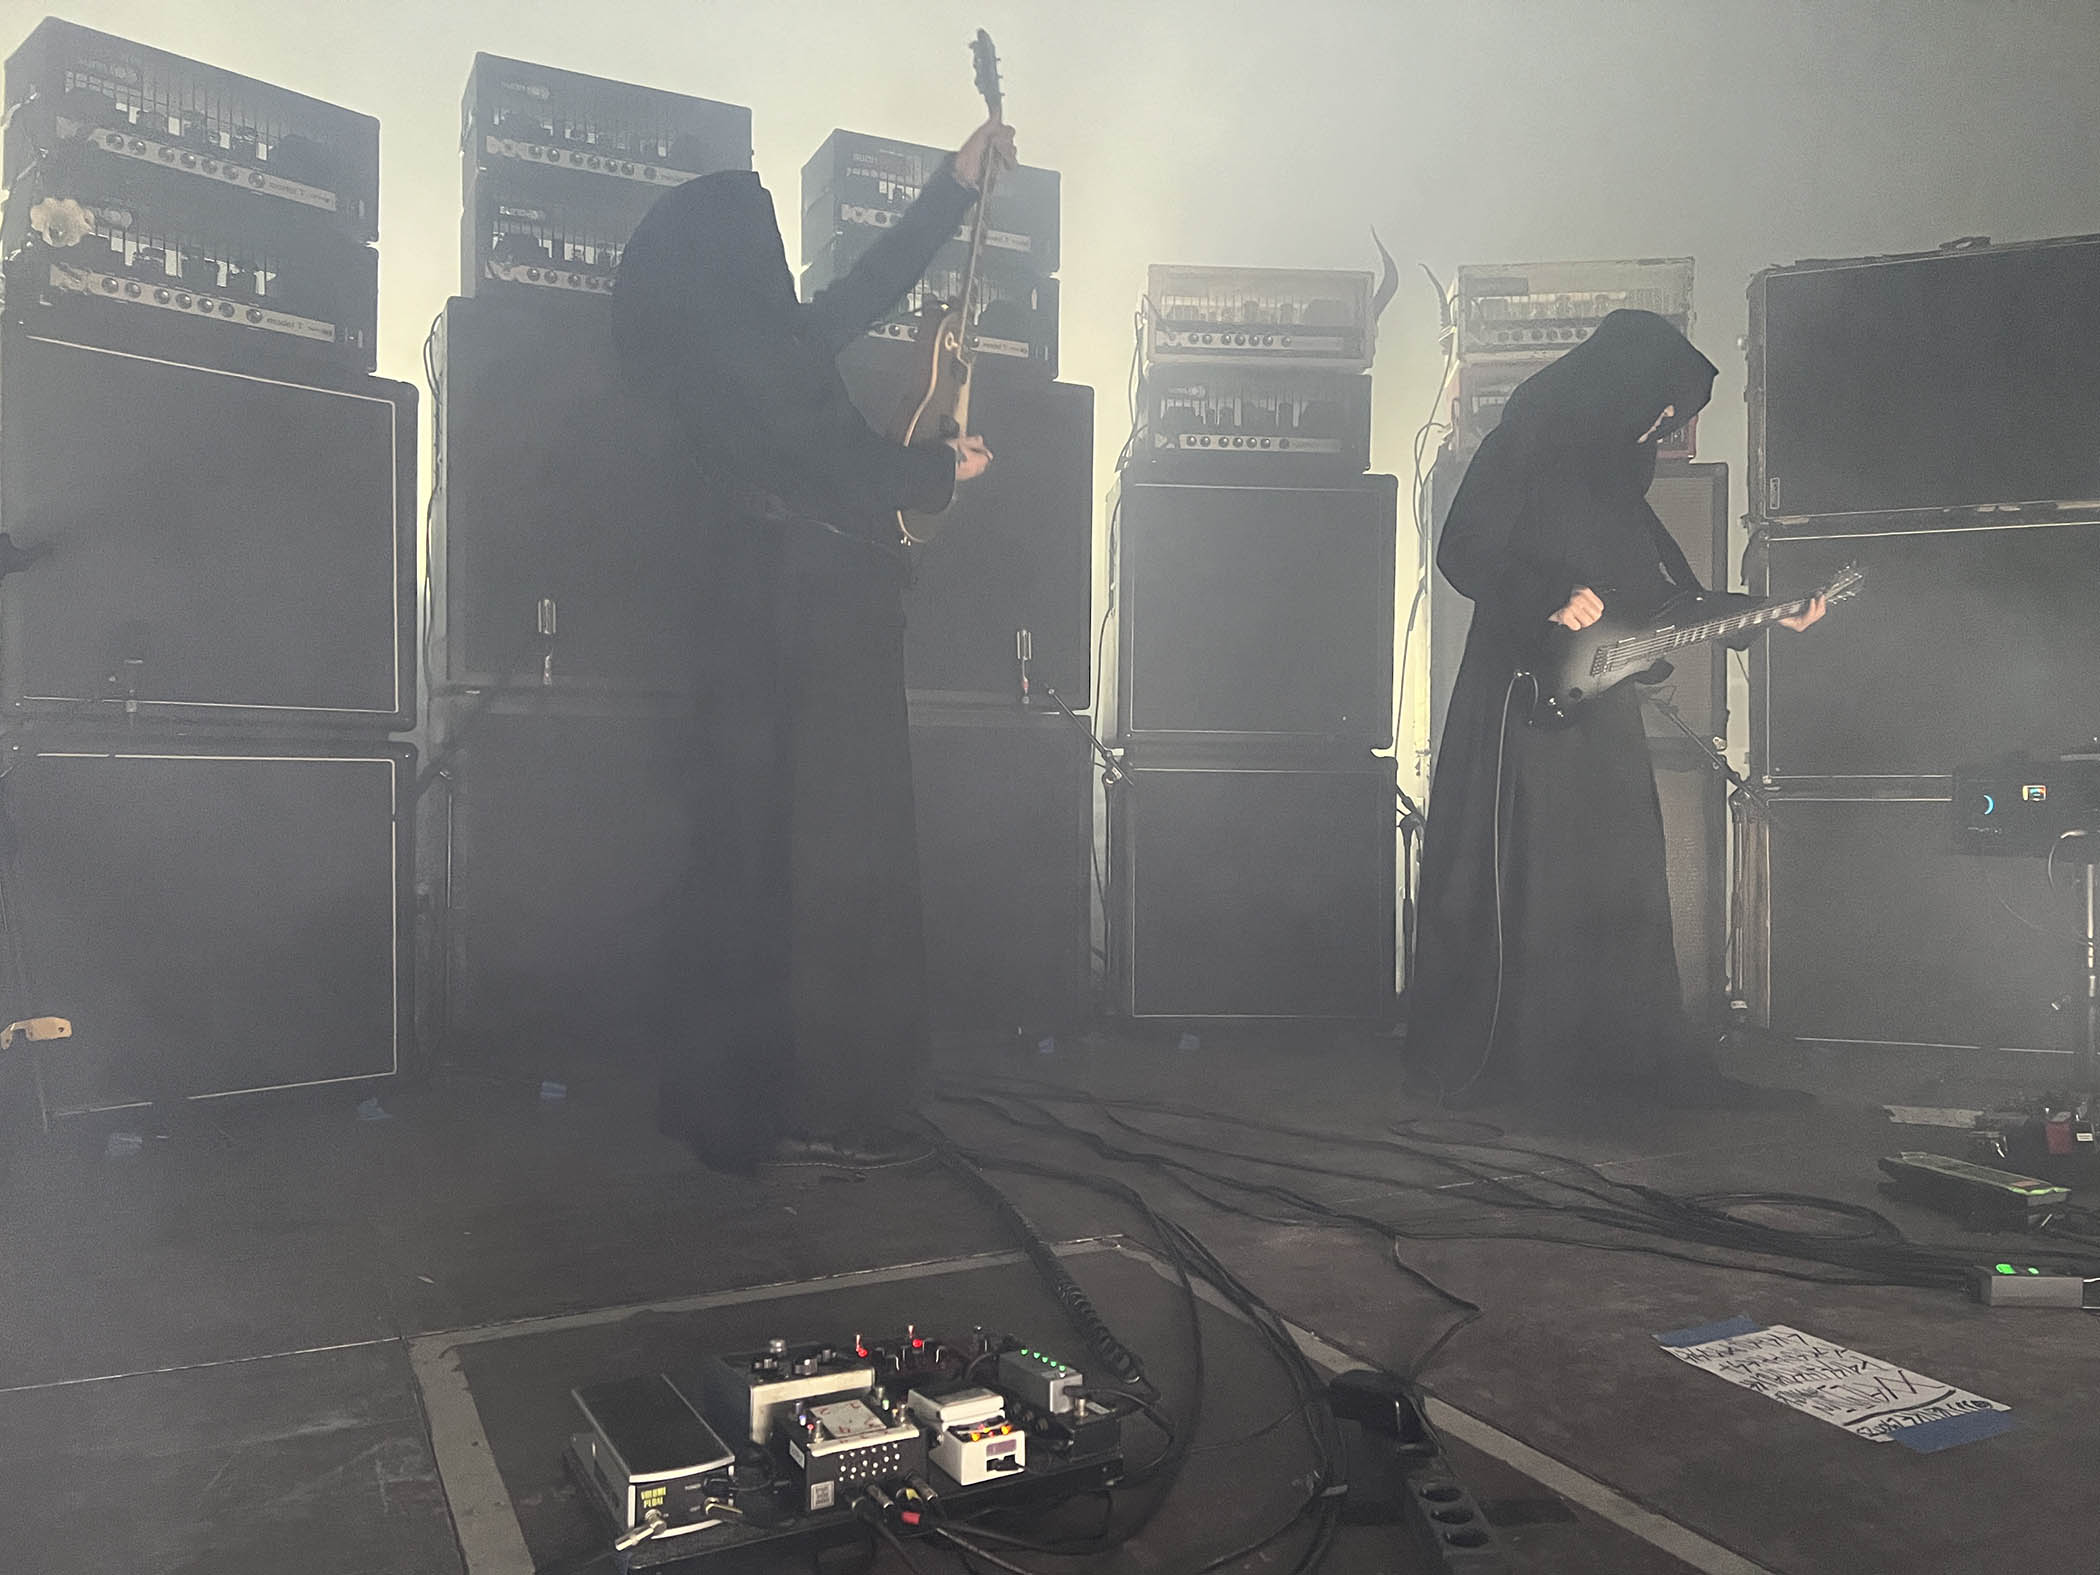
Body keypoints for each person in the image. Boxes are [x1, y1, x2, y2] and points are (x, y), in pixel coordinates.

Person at [612, 118, 1015, 1171]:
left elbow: (855, 300)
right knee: (833, 864)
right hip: (811, 630)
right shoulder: (752, 359)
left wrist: (953, 190)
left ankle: (758, 1092)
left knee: (763, 864)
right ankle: (827, 1098)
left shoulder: (726, 347)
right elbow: (833, 459)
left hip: (767, 626)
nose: (780, 268)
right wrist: (937, 475)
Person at [1408, 309, 1822, 1110]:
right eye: (1660, 410)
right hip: (1519, 700)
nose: (1662, 428)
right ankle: (1520, 1060)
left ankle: (1611, 1058)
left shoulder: (1614, 477)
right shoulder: (1525, 439)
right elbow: (1460, 545)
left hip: (1599, 706)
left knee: (1615, 877)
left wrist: (1767, 611)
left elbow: (1662, 599)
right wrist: (1548, 596)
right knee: (1528, 874)